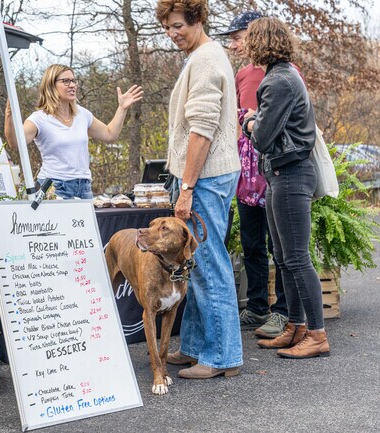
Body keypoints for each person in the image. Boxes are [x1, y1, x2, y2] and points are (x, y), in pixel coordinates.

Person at [156, 0, 243, 378]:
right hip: (210, 175)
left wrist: (187, 186)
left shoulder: (207, 59)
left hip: (205, 177)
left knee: (209, 264)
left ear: (198, 19)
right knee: (197, 264)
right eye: (167, 28)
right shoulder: (205, 56)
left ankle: (221, 358)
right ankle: (195, 347)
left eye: (178, 26)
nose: (173, 33)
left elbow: (202, 128)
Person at [242, 17, 330, 358]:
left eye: (249, 41)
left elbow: (263, 137)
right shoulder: (282, 75)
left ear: (260, 43)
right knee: (283, 256)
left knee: (296, 257)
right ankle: (295, 326)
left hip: (291, 172)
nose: (245, 47)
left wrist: (249, 121)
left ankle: (318, 335)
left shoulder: (277, 81)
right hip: (283, 172)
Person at [216, 11, 289, 338]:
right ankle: (258, 306)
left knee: (281, 246)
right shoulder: (242, 74)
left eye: (237, 36)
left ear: (256, 33)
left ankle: (285, 311)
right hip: (245, 172)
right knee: (251, 243)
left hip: (275, 168)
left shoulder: (283, 74)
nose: (233, 44)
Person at [4, 64, 143, 199]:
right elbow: (15, 142)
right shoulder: (39, 118)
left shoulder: (83, 114)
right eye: (66, 81)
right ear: (51, 85)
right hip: (55, 187)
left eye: (73, 81)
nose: (72, 85)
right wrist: (9, 114)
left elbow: (109, 134)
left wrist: (122, 108)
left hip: (84, 187)